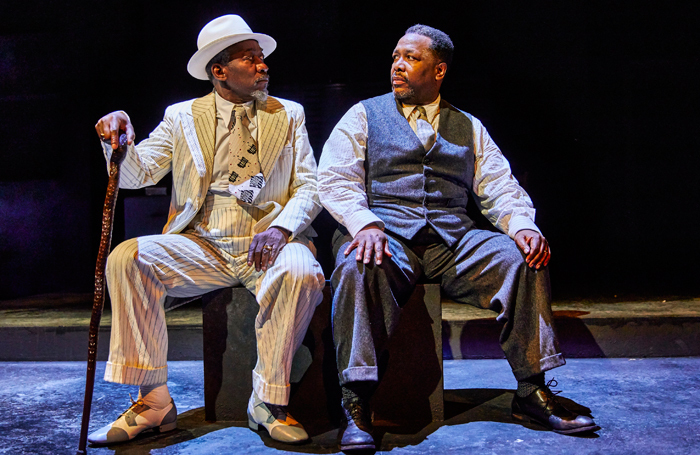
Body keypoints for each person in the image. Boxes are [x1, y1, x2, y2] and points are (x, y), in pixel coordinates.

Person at [318, 24, 599, 452]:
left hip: (452, 240)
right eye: (395, 56)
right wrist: (364, 223)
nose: (397, 65)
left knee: (520, 258)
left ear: (439, 70)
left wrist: (522, 225)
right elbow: (335, 180)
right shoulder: (363, 115)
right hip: (385, 234)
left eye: (411, 58)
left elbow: (499, 186)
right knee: (359, 262)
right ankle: (356, 402)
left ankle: (531, 390)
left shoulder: (467, 125)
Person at [89, 14, 325, 445]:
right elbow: (136, 174)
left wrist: (283, 229)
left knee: (303, 272)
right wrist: (115, 139)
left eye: (262, 57)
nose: (262, 65)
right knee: (127, 256)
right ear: (219, 71)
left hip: (269, 240)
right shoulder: (182, 117)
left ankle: (269, 401)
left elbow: (309, 185)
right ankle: (154, 401)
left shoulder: (288, 114)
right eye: (250, 58)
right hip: (202, 244)